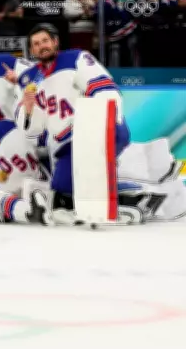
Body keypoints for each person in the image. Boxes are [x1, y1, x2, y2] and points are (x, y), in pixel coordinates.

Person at [15, 23, 139, 223]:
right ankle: (123, 195)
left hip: (90, 131)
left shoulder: (75, 58)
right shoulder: (27, 79)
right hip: (65, 145)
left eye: (45, 41)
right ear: (31, 50)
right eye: (36, 44)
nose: (41, 46)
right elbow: (31, 129)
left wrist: (105, 123)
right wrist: (28, 109)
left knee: (97, 162)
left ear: (55, 42)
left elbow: (103, 87)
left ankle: (126, 194)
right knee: (63, 189)